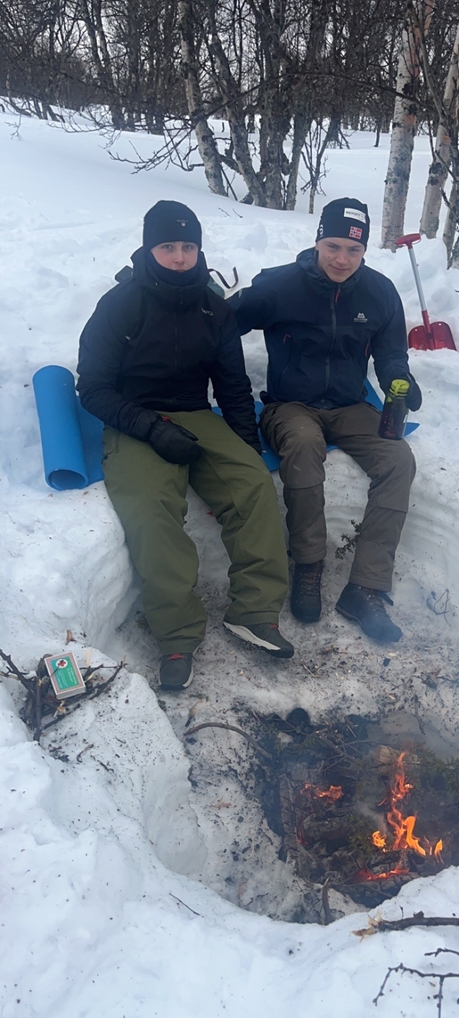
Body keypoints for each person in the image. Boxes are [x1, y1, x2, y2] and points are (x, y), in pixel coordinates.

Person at [77, 200, 294, 689]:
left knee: (254, 485)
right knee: (152, 508)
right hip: (135, 417)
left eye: (188, 247)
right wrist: (151, 428)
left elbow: (233, 385)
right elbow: (91, 388)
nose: (179, 257)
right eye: (168, 246)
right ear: (149, 248)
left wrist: (245, 451)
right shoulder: (120, 304)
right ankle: (176, 632)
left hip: (197, 413)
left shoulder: (212, 305)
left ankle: (254, 611)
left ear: (199, 249)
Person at [229, 197, 421, 644]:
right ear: (318, 241)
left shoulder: (379, 292)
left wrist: (401, 380)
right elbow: (222, 323)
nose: (341, 259)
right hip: (289, 405)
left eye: (353, 251)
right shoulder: (280, 286)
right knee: (302, 444)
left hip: (351, 406)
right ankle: (309, 567)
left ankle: (366, 589)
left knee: (398, 460)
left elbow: (392, 353)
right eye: (333, 246)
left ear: (364, 252)